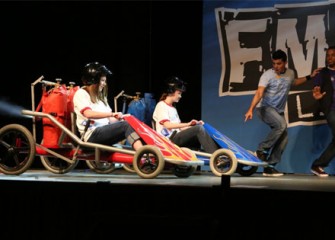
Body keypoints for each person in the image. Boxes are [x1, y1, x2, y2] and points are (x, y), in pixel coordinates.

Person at [244, 49, 319, 177]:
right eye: (274, 63)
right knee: (282, 125)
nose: (276, 66)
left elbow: (293, 82)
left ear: (285, 63)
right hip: (265, 108)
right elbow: (259, 93)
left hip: (278, 111)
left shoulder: (290, 73)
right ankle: (261, 150)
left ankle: (269, 167)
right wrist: (250, 109)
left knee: (284, 138)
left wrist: (309, 77)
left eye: (279, 64)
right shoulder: (267, 75)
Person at [73, 62, 143, 151]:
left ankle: (144, 152)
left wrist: (121, 117)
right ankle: (143, 155)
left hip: (102, 133)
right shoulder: (81, 93)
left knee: (131, 123)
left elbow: (109, 120)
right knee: (126, 126)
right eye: (102, 80)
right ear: (93, 80)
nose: (104, 84)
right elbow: (88, 114)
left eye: (104, 81)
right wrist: (111, 114)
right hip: (91, 135)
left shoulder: (100, 97)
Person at [153, 76, 219, 154]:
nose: (180, 96)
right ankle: (217, 156)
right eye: (179, 93)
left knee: (200, 129)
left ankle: (216, 153)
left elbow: (180, 128)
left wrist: (193, 125)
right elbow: (167, 125)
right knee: (199, 129)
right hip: (168, 140)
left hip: (175, 137)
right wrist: (190, 124)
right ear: (170, 91)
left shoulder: (173, 108)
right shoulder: (161, 105)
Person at [310, 46, 335, 177]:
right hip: (331, 109)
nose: (329, 58)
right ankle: (318, 164)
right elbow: (316, 87)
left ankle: (318, 165)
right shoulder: (323, 73)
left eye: (332, 55)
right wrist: (316, 93)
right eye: (328, 55)